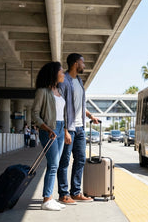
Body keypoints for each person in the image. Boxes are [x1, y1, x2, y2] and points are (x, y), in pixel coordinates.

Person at [57, 53, 99, 204]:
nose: (84, 65)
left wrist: (90, 116)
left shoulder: (80, 81)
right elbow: (61, 106)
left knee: (80, 159)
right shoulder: (64, 81)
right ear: (75, 63)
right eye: (83, 62)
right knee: (64, 161)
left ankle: (75, 192)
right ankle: (63, 194)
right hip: (69, 128)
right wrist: (65, 130)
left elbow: (80, 105)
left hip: (80, 128)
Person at [32, 62, 68, 211]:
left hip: (59, 129)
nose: (63, 74)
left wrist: (65, 130)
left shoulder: (59, 91)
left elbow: (62, 114)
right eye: (61, 71)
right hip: (49, 131)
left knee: (55, 165)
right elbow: (35, 114)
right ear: (54, 73)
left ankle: (50, 198)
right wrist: (47, 128)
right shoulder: (43, 91)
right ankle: (46, 200)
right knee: (53, 165)